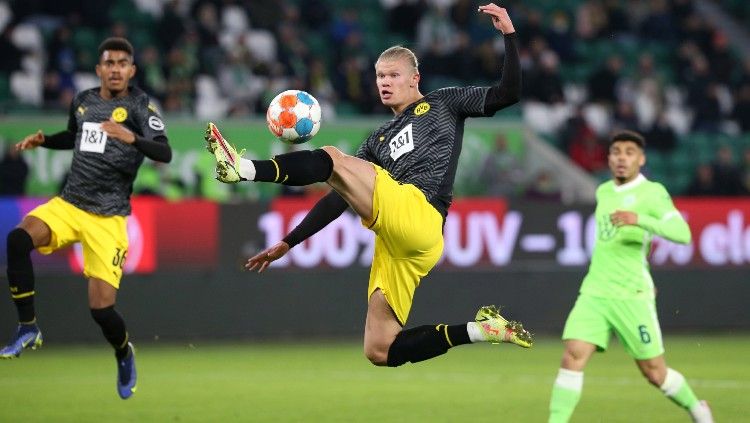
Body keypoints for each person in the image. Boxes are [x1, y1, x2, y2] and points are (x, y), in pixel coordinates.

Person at [205, 3, 531, 368]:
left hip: (420, 211)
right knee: (380, 349)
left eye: (393, 75)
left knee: (332, 156)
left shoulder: (444, 102)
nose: (384, 82)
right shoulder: (376, 139)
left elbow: (508, 93)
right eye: (379, 76)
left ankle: (244, 169)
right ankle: (481, 330)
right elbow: (338, 198)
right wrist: (288, 242)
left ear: (414, 78)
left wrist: (509, 35)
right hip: (403, 244)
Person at [0, 37, 172, 400]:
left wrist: (131, 137)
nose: (115, 69)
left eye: (122, 63)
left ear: (132, 70)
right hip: (69, 203)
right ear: (99, 69)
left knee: (101, 310)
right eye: (109, 63)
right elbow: (75, 136)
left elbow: (165, 151)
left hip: (107, 219)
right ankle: (28, 327)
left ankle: (124, 352)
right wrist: (45, 139)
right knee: (18, 240)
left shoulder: (142, 107)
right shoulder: (84, 101)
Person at [548, 130, 713, 423]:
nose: (621, 158)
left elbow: (683, 234)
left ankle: (698, 411)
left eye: (629, 152)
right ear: (609, 158)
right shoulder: (603, 191)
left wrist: (640, 219)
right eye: (616, 152)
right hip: (595, 291)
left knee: (654, 372)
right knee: (572, 354)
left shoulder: (653, 193)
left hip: (631, 294)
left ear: (641, 159)